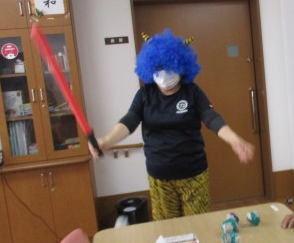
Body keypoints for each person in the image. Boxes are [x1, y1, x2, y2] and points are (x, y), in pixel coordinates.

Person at [89, 29, 254, 220]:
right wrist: (107, 140)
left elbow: (211, 118)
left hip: (194, 174)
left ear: (181, 65)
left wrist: (234, 140)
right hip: (159, 177)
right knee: (168, 230)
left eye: (169, 67)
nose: (164, 74)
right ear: (150, 68)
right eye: (158, 69)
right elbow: (130, 120)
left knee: (198, 226)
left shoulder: (192, 92)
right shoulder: (145, 94)